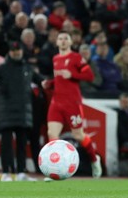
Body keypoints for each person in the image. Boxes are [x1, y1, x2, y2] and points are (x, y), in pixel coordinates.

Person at [41, 31, 102, 178]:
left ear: (70, 42)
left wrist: (73, 74)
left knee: (78, 135)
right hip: (56, 101)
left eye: (65, 39)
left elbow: (89, 76)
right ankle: (54, 169)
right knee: (52, 134)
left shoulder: (76, 58)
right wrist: (49, 83)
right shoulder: (55, 59)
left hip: (72, 102)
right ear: (56, 42)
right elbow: (60, 79)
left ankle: (95, 160)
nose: (62, 41)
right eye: (60, 38)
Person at [0, 41, 44, 181]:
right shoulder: (2, 69)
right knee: (6, 144)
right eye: (13, 50)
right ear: (10, 52)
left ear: (21, 51)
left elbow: (42, 81)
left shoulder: (28, 68)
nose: (16, 53)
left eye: (18, 50)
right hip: (6, 112)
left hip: (23, 112)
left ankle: (21, 172)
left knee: (22, 144)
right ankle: (6, 172)